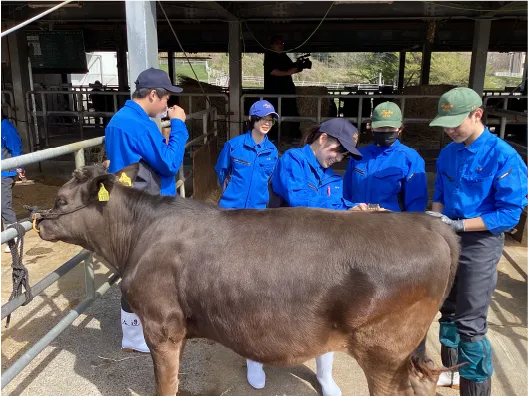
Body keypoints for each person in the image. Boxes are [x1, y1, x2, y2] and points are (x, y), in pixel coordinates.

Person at [426, 87, 528, 396]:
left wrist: (458, 224)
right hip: (447, 235)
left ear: (477, 114)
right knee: (448, 308)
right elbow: (440, 194)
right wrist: (436, 224)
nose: (450, 130)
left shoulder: (503, 156)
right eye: (445, 123)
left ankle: (474, 389)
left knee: (470, 322)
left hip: (480, 241)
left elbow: (509, 214)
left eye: (456, 122)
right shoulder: (448, 153)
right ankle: (451, 372)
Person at [268, 118, 362, 397]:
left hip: (321, 252)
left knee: (325, 311)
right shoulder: (292, 161)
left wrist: (354, 207)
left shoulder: (332, 174)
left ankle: (324, 374)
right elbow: (302, 204)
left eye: (344, 155)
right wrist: (344, 213)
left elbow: (335, 203)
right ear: (322, 140)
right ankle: (255, 358)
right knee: (271, 305)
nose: (338, 158)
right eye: (337, 151)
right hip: (284, 249)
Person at [104, 67, 189, 353]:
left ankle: (132, 333)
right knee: (146, 272)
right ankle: (137, 334)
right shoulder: (140, 125)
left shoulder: (119, 120)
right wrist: (178, 125)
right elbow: (169, 163)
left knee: (132, 268)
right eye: (166, 98)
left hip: (128, 203)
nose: (167, 105)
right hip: (147, 207)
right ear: (153, 94)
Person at [343, 101, 428, 212]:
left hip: (390, 223)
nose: (385, 132)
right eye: (380, 128)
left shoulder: (410, 158)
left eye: (390, 129)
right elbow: (346, 194)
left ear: (400, 129)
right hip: (358, 221)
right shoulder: (358, 156)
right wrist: (350, 208)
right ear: (372, 128)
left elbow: (416, 203)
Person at [215, 99, 279, 210]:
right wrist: (230, 192)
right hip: (231, 208)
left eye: (270, 120)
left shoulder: (272, 151)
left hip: (257, 211)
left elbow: (270, 180)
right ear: (251, 118)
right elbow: (221, 171)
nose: (267, 123)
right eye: (262, 118)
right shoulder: (233, 145)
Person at [263, 35, 301, 142]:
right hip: (274, 91)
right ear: (272, 45)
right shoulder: (270, 56)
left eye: (282, 44)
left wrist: (298, 66)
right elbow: (272, 71)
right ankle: (273, 138)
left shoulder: (284, 56)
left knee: (292, 112)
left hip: (287, 90)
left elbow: (291, 67)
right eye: (278, 43)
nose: (281, 46)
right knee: (274, 114)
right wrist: (288, 72)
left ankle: (293, 136)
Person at [0, 111, 24, 253]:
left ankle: (15, 237)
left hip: (4, 172)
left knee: (4, 205)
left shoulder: (5, 127)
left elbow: (15, 147)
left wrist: (19, 166)